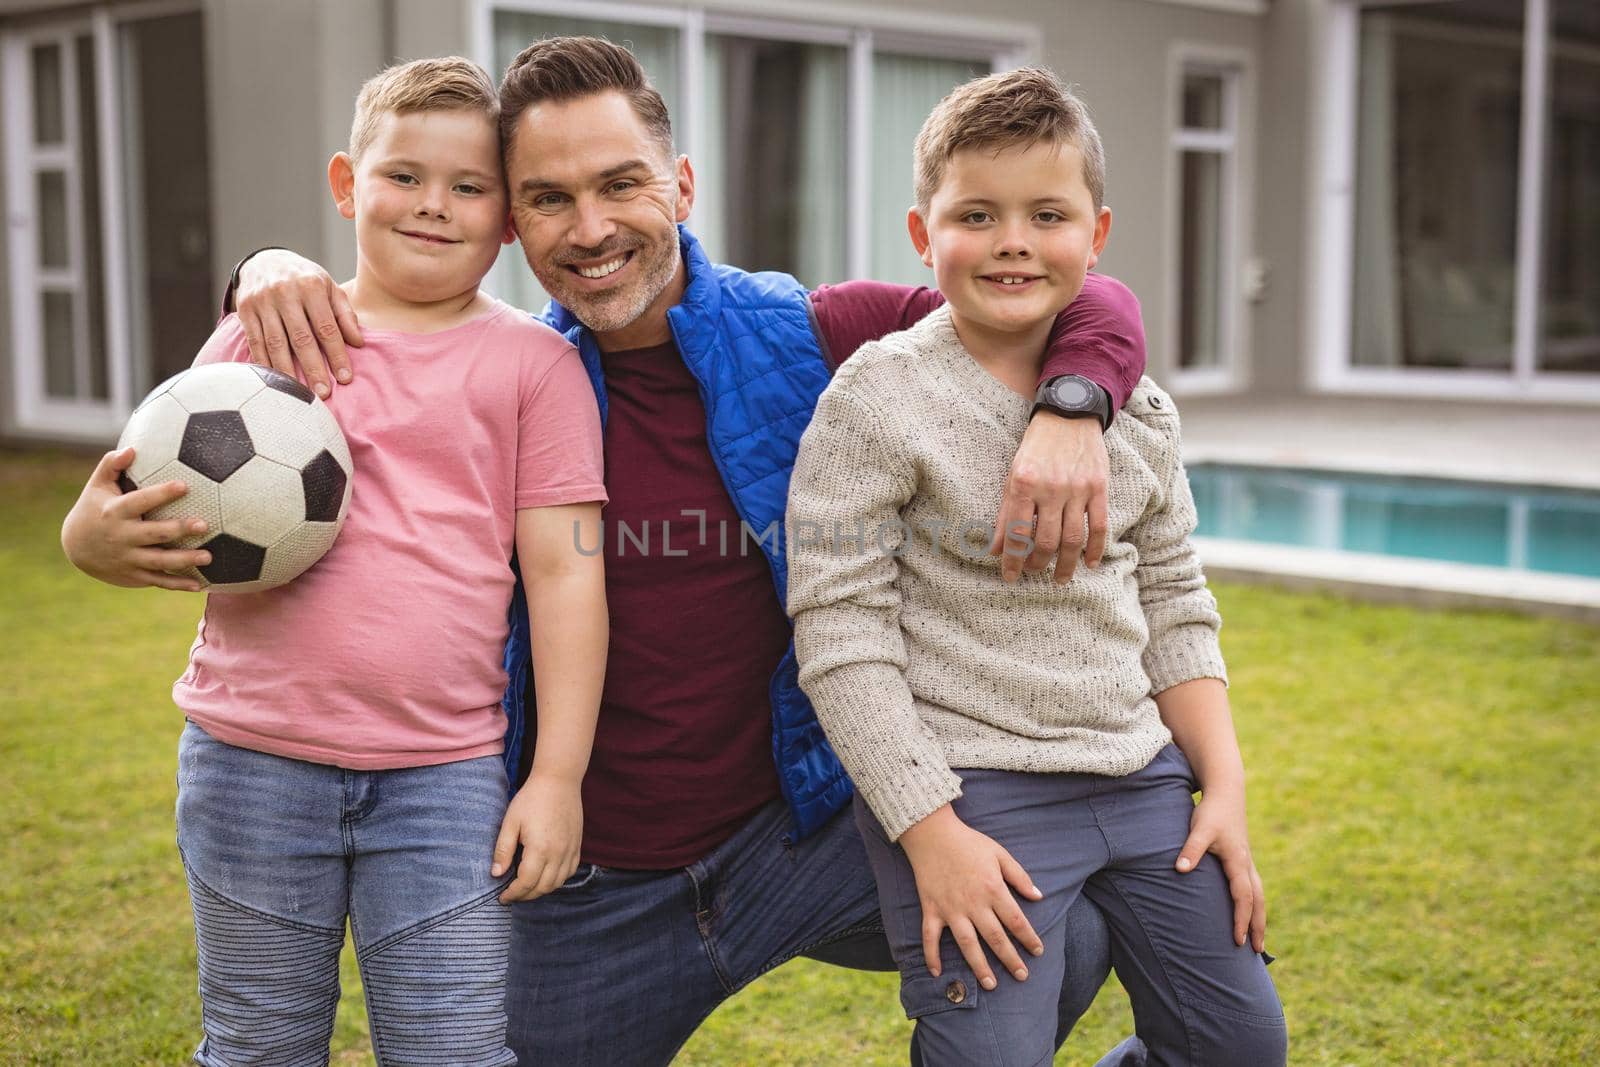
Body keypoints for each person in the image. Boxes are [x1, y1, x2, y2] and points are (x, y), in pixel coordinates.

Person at [63, 38, 1150, 1064]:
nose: (589, 226)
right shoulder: (517, 375)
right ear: (512, 227)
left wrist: (1070, 403)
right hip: (589, 880)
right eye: (548, 196)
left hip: (800, 836)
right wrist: (264, 268)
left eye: (621, 184)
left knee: (1057, 919)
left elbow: (1061, 283)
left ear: (680, 185)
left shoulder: (814, 333)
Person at [64, 57, 610, 1064]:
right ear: (346, 182)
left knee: (450, 1045)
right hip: (249, 758)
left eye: (468, 186)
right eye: (404, 175)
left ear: (505, 218)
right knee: (257, 1042)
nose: (433, 206)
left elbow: (568, 570)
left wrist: (559, 776)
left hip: (444, 776)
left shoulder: (538, 367)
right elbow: (134, 497)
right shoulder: (263, 333)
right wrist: (85, 540)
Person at [786, 68, 1287, 1065]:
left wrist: (1221, 784)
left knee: (1237, 1044)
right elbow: (841, 633)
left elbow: (1175, 601)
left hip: (1142, 779)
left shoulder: (1136, 410)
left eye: (1046, 213)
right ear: (924, 237)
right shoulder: (876, 399)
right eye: (977, 213)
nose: (1013, 238)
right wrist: (928, 828)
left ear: (1095, 237)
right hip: (977, 793)